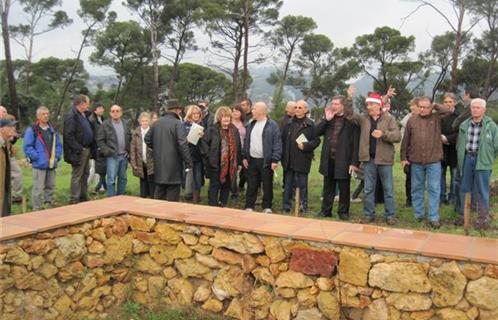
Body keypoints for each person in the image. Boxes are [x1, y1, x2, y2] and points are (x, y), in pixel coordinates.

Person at [346, 91, 401, 225]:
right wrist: (349, 98)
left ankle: (390, 216)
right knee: (369, 189)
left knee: (388, 189)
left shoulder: (389, 119)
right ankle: (368, 215)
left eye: (371, 104)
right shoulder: (363, 118)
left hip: (384, 159)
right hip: (368, 160)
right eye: (367, 104)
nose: (368, 107)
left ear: (378, 106)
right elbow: (349, 114)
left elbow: (397, 136)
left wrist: (383, 134)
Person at [401, 96, 451, 228]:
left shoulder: (436, 118)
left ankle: (434, 217)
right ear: (417, 107)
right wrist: (403, 158)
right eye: (421, 107)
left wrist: (435, 106)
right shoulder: (412, 121)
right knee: (417, 188)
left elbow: (448, 111)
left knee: (434, 189)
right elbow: (405, 140)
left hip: (433, 160)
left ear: (430, 107)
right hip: (416, 160)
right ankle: (418, 214)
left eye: (426, 107)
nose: (423, 109)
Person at [456, 98, 498, 229]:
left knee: (482, 189)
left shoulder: (491, 126)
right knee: (465, 187)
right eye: (473, 107)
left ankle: (483, 218)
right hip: (467, 158)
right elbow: (459, 143)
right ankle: (464, 215)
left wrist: (488, 157)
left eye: (478, 107)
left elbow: (496, 146)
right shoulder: (464, 125)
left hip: (482, 160)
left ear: (484, 110)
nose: (474, 109)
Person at [145, 99, 193, 201]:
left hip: (159, 162)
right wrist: (189, 161)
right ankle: (169, 215)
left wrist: (158, 147)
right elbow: (182, 144)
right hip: (174, 164)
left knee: (159, 191)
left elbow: (147, 139)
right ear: (176, 110)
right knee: (172, 194)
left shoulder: (157, 123)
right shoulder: (177, 123)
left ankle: (156, 215)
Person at [281, 100, 320, 214]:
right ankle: (286, 206)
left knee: (303, 185)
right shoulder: (288, 123)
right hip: (288, 159)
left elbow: (317, 141)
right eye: (296, 107)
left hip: (302, 158)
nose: (297, 109)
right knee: (288, 185)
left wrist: (306, 146)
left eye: (300, 108)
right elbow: (282, 139)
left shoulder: (310, 124)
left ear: (306, 110)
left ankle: (304, 206)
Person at [243, 102, 281, 213]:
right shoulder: (251, 124)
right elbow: (246, 141)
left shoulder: (272, 125)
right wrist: (245, 156)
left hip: (266, 161)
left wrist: (275, 159)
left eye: (254, 109)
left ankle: (267, 207)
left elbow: (277, 143)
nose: (252, 111)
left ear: (261, 111)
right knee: (251, 184)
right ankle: (249, 206)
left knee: (267, 184)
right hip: (252, 160)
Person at [23, 106, 63, 210]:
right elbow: (27, 147)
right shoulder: (32, 130)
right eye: (43, 114)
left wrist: (57, 157)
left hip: (51, 164)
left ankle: (48, 207)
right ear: (38, 116)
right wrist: (37, 157)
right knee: (38, 189)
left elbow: (58, 145)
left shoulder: (52, 130)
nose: (46, 116)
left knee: (51, 187)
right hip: (39, 165)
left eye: (47, 114)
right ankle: (37, 209)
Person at [201, 106, 242, 207]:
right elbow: (204, 145)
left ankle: (223, 203)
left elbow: (238, 147)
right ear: (219, 117)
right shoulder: (212, 129)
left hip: (230, 164)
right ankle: (213, 205)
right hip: (215, 164)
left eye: (228, 116)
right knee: (214, 186)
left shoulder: (234, 130)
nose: (226, 118)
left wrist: (239, 162)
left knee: (227, 185)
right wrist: (209, 157)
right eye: (224, 116)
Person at [63, 94, 94, 204]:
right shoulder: (72, 116)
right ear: (81, 104)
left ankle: (83, 197)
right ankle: (74, 199)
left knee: (85, 174)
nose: (88, 106)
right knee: (77, 175)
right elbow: (68, 135)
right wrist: (79, 148)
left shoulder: (83, 115)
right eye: (87, 103)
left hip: (86, 149)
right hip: (78, 151)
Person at [96, 104, 131, 197]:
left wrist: (129, 151)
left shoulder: (125, 123)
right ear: (110, 113)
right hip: (112, 156)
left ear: (121, 112)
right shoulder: (105, 125)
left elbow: (129, 138)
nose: (115, 113)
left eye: (117, 111)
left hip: (124, 156)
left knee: (123, 178)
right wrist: (108, 152)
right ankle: (111, 199)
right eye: (113, 111)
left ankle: (121, 197)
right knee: (111, 179)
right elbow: (100, 141)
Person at [181, 105, 205, 203]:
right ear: (190, 114)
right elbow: (180, 140)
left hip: (198, 155)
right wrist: (187, 140)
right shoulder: (184, 125)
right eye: (194, 113)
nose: (196, 115)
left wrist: (203, 137)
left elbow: (207, 141)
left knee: (198, 177)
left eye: (198, 113)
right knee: (186, 176)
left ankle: (195, 200)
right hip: (187, 155)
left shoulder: (202, 124)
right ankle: (187, 196)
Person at [440, 93, 459, 205]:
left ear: (455, 103)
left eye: (450, 102)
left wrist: (447, 139)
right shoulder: (439, 115)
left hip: (454, 150)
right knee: (440, 174)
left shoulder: (459, 115)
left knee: (454, 175)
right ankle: (442, 197)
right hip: (441, 149)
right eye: (446, 102)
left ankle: (452, 197)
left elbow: (460, 133)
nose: (448, 104)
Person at [0, 108, 22, 204]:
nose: (13, 129)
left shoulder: (5, 141)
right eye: (10, 127)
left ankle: (13, 197)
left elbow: (10, 141)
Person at [130, 112, 155, 198]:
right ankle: (143, 197)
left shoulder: (153, 131)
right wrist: (133, 163)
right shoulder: (136, 133)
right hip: (140, 160)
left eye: (146, 121)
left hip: (151, 161)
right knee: (143, 180)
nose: (144, 122)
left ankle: (152, 198)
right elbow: (133, 149)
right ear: (140, 122)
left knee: (151, 180)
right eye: (143, 121)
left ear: (149, 121)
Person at [0, 119, 17, 216]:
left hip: (5, 183)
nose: (13, 129)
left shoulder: (6, 143)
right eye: (10, 127)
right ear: (1, 129)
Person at [88, 103, 106, 193]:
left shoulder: (102, 119)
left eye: (102, 108)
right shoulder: (92, 120)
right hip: (95, 148)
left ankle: (99, 186)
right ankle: (90, 185)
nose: (102, 110)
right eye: (99, 108)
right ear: (95, 110)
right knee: (94, 168)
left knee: (98, 168)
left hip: (101, 147)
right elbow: (93, 135)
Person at [231, 104, 246, 197]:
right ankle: (234, 191)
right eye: (233, 111)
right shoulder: (228, 123)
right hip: (232, 150)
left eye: (237, 111)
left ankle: (240, 186)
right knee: (233, 172)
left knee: (244, 171)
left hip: (243, 150)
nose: (235, 112)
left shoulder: (245, 124)